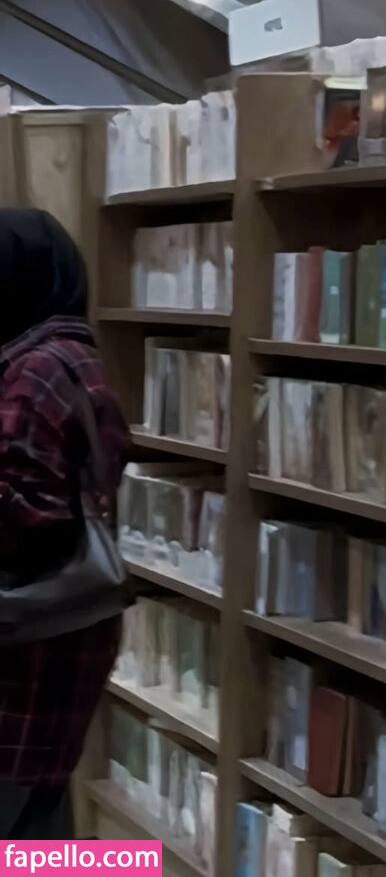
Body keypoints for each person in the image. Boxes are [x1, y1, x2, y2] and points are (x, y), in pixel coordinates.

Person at [0, 209, 128, 838]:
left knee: (21, 822)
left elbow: (25, 515)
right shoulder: (75, 357)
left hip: (26, 642)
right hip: (64, 629)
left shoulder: (36, 370)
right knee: (38, 825)